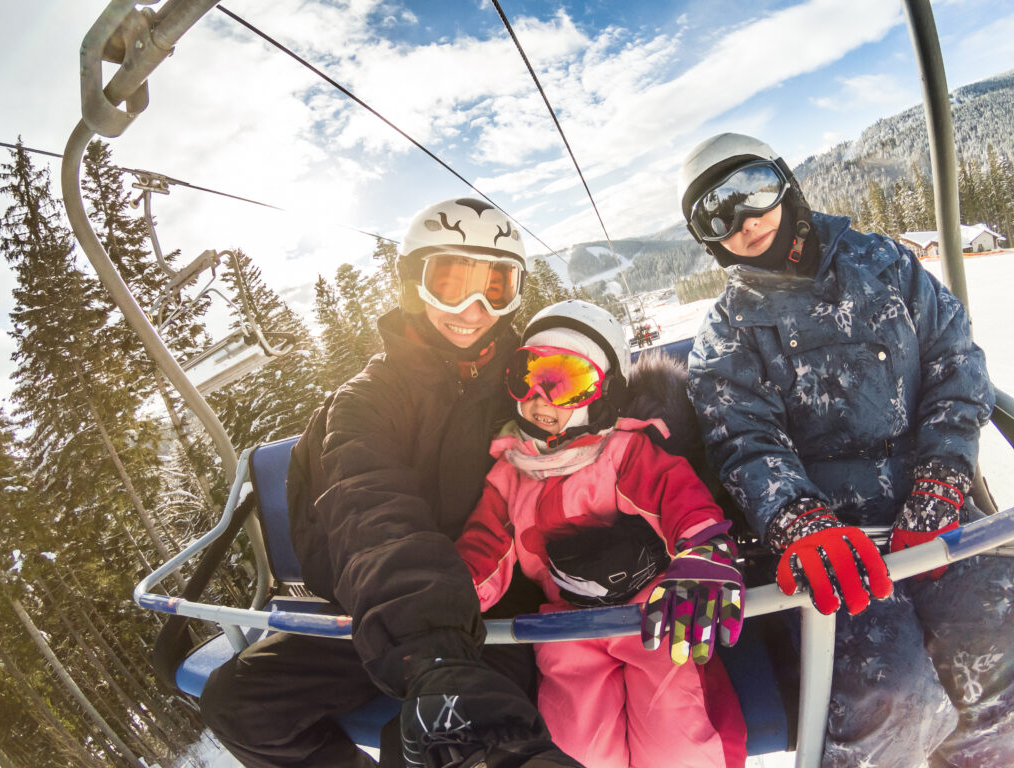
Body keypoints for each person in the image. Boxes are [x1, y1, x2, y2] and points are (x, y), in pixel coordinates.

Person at [199, 197, 581, 768]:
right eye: (451, 283)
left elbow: (604, 430)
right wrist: (431, 656)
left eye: (495, 288)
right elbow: (368, 509)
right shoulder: (366, 400)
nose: (474, 309)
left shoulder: (526, 383)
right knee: (239, 702)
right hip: (385, 606)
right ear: (412, 285)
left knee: (439, 747)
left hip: (495, 611)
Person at [681, 132, 1014, 767]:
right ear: (707, 238)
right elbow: (744, 443)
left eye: (753, 190)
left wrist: (943, 478)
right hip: (838, 548)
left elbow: (956, 364)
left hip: (935, 518)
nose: (745, 220)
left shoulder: (886, 264)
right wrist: (799, 521)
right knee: (890, 693)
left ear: (786, 183)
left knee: (1001, 651)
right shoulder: (727, 332)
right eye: (716, 213)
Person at [455, 300, 748, 768]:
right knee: (577, 748)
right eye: (525, 376)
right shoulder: (510, 474)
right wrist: (448, 603)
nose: (539, 395)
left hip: (650, 618)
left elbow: (678, 498)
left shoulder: (623, 453)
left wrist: (704, 552)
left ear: (604, 394)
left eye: (563, 381)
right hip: (567, 629)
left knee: (679, 741)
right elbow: (484, 548)